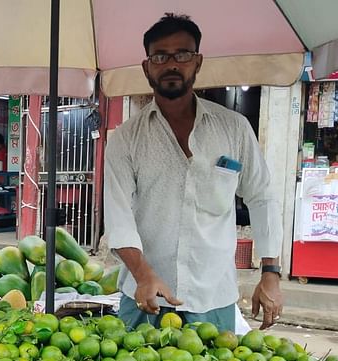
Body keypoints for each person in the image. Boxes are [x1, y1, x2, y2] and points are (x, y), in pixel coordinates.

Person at [103, 13, 284, 333]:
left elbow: (262, 197)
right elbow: (118, 218)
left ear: (197, 62)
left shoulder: (234, 129)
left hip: (213, 297)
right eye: (160, 56)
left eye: (182, 54)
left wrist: (270, 272)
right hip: (145, 296)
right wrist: (143, 275)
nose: (171, 64)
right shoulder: (126, 139)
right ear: (147, 67)